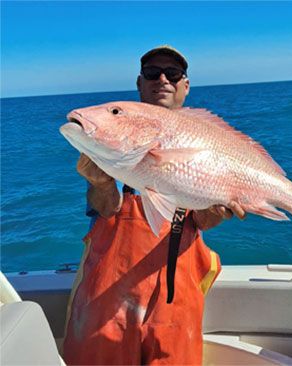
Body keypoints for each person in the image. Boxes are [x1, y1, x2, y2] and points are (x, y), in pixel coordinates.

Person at [63, 45, 246, 365]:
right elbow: (103, 210)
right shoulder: (117, 136)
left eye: (173, 74)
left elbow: (200, 221)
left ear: (185, 86)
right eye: (152, 73)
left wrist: (218, 210)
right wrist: (101, 182)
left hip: (174, 299)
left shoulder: (206, 141)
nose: (162, 79)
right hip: (106, 302)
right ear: (139, 83)